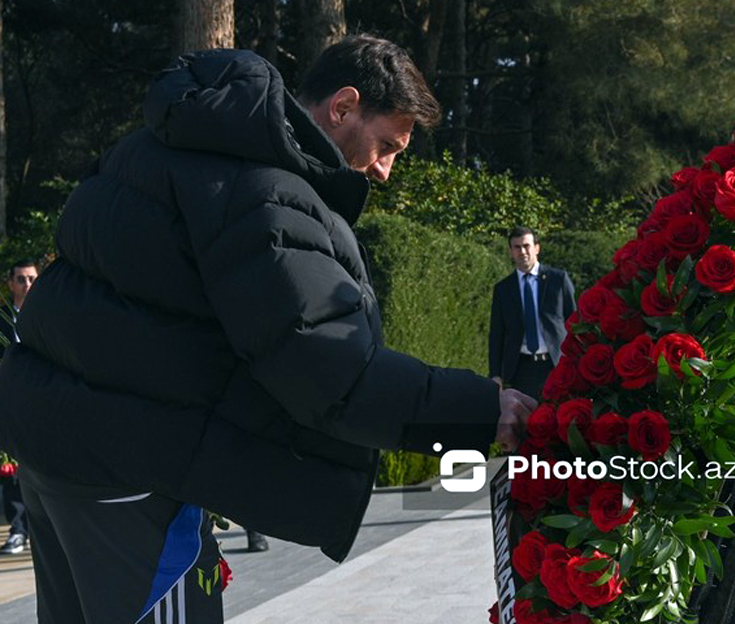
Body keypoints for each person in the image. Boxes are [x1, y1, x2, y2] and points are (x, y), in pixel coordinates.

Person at [0, 35, 534, 623]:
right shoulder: (267, 194)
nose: (384, 170)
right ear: (343, 106)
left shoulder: (158, 145)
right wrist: (483, 410)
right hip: (134, 475)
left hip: (52, 452)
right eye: (387, 146)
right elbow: (332, 374)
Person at [489, 227, 576, 400]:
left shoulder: (558, 280)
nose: (522, 252)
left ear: (537, 248)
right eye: (517, 247)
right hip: (521, 370)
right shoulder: (503, 289)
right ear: (511, 252)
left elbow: (574, 322)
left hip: (556, 365)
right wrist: (495, 374)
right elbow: (497, 334)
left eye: (526, 246)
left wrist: (578, 362)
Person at [0, 259, 38, 555]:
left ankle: (41, 528)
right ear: (11, 283)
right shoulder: (2, 319)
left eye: (32, 279)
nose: (27, 285)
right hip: (9, 402)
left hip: (43, 401)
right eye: (21, 279)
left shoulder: (49, 314)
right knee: (11, 471)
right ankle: (19, 529)